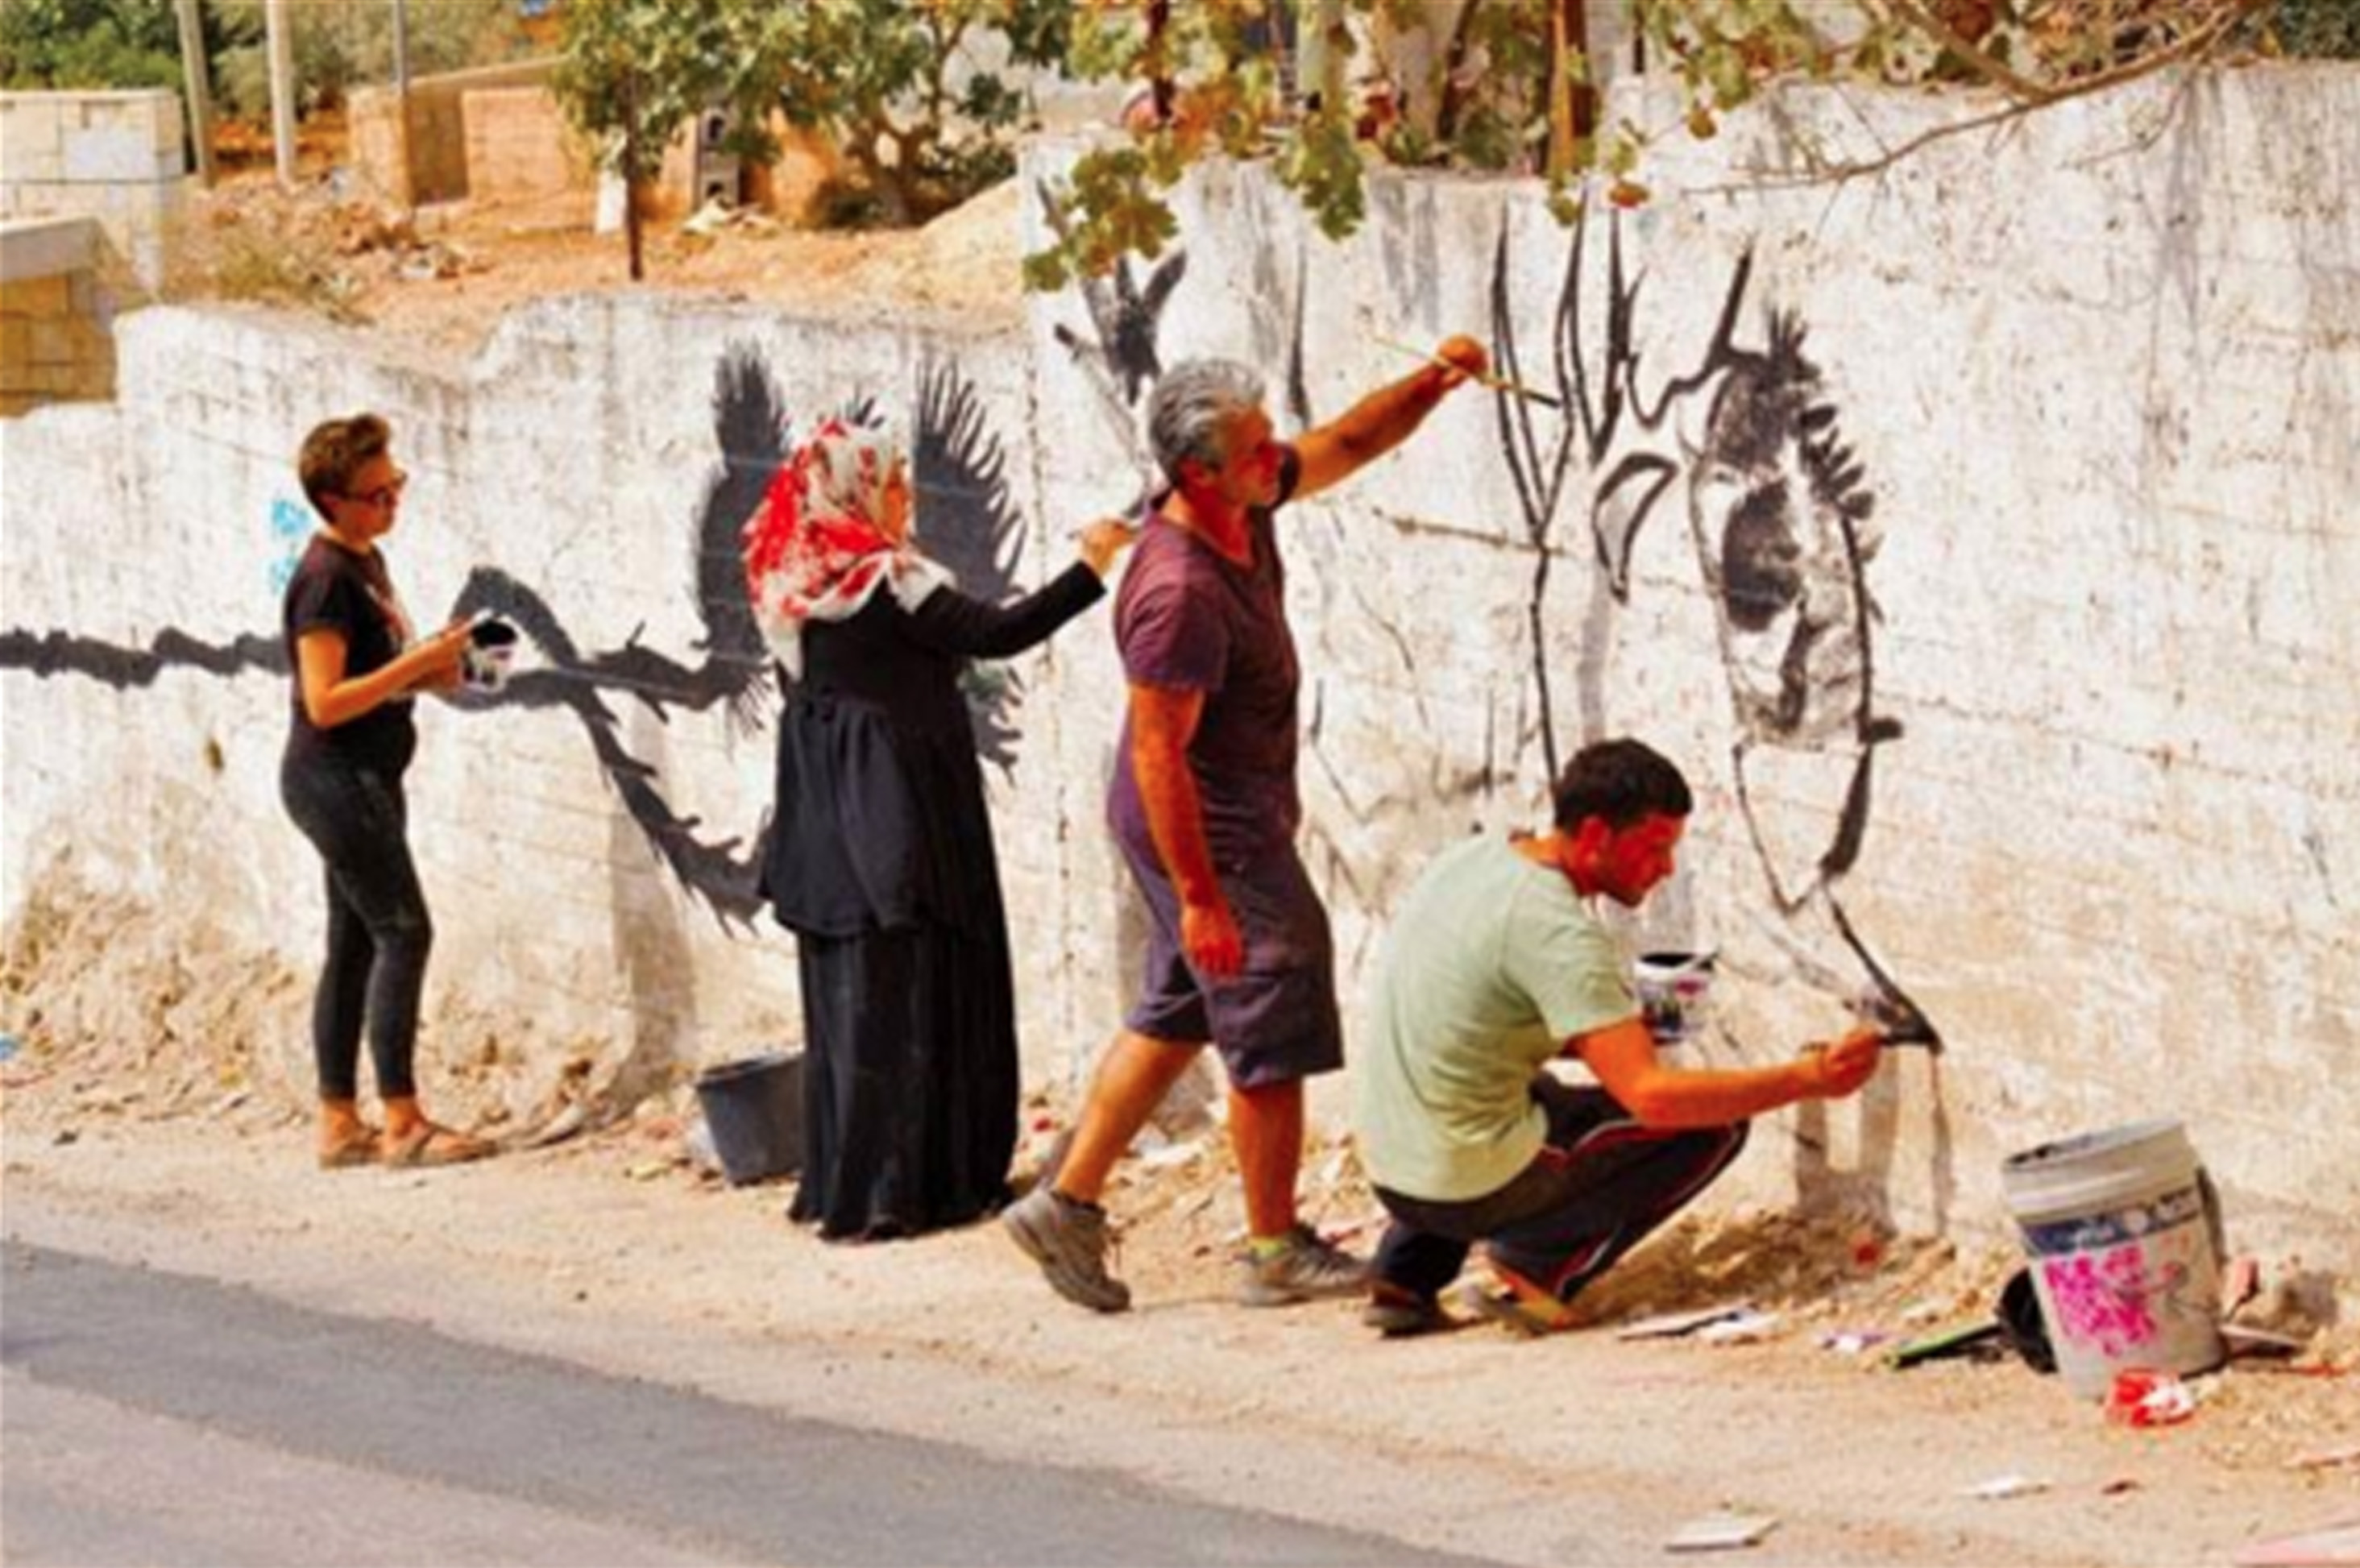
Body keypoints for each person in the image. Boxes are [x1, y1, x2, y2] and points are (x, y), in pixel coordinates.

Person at [1002, 339, 1489, 1312]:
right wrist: (1200, 895)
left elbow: (1350, 438)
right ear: (1197, 471)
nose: (1277, 458)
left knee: (1187, 1004)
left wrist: (1433, 382)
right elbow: (1157, 754)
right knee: (1265, 1006)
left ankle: (1067, 1200)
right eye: (1256, 448)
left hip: (1219, 813)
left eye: (1270, 443)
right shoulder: (1178, 590)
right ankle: (1271, 1246)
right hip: (1204, 823)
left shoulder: (1245, 500)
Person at [745, 416, 1136, 1242]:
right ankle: (914, 1186)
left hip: (822, 803)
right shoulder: (889, 577)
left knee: (852, 986)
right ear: (857, 485)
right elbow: (1000, 632)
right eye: (892, 480)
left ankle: (848, 1184)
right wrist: (1091, 563)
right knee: (918, 973)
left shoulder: (784, 573)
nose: (905, 495)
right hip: (903, 794)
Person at [1350, 737, 1887, 1337]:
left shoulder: (1474, 860)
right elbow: (1651, 1097)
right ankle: (1542, 1264)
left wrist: (1604, 1030)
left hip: (1389, 1163)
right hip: (1460, 1184)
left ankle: (1404, 1275)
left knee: (1511, 1094)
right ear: (1597, 834)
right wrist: (1806, 1080)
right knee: (1711, 1124)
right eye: (1654, 848)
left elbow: (1475, 1020)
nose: (1663, 869)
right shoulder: (1560, 934)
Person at [282, 413, 488, 1170]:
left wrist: (446, 666)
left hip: (364, 776)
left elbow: (376, 683)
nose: (391, 503)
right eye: (376, 494)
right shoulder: (326, 582)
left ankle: (339, 1119)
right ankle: (402, 1118)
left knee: (356, 940)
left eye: (395, 487)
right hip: (337, 781)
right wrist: (416, 665)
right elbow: (326, 700)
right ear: (334, 500)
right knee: (404, 932)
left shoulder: (363, 564)